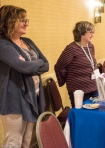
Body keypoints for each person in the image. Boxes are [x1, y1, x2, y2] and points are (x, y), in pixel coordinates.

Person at [0, 5, 49, 148]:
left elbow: (46, 64)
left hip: (33, 97)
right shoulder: (3, 44)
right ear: (10, 21)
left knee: (26, 141)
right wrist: (35, 63)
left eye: (26, 20)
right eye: (22, 20)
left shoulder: (28, 42)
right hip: (13, 100)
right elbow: (23, 67)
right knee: (13, 142)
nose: (26, 23)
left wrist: (33, 63)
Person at [55, 21, 98, 108]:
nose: (92, 35)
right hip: (79, 91)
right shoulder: (72, 49)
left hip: (93, 88)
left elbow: (92, 64)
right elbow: (59, 67)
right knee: (82, 117)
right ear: (82, 33)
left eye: (93, 32)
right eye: (90, 32)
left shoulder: (90, 47)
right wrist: (70, 79)